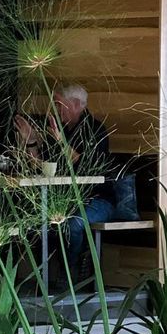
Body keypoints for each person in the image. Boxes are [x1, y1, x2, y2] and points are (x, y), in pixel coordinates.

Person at [46, 85, 113, 275]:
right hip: (68, 199)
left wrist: (61, 142)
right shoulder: (61, 130)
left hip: (99, 199)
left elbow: (88, 168)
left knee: (72, 223)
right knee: (43, 223)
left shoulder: (96, 129)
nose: (56, 110)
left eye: (59, 104)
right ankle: (50, 276)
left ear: (75, 104)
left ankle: (70, 272)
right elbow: (45, 164)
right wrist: (31, 141)